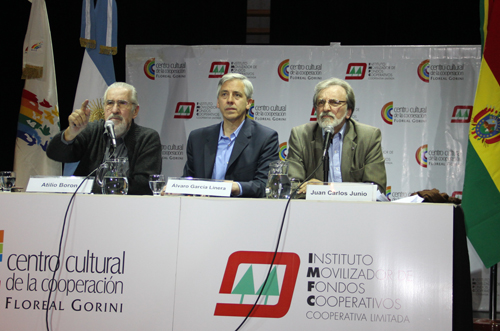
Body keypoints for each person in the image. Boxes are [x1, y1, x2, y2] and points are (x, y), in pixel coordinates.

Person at [47, 82, 162, 195]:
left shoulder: (147, 138)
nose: (115, 110)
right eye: (110, 103)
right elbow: (54, 154)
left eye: (122, 103)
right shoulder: (92, 130)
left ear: (135, 111)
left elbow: (144, 185)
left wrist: (92, 187)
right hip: (87, 206)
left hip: (128, 208)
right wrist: (70, 133)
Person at [182, 73, 279, 197]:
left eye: (237, 95)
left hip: (242, 211)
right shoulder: (197, 138)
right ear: (218, 102)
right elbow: (189, 179)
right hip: (202, 209)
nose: (230, 100)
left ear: (248, 103)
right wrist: (175, 188)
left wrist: (236, 187)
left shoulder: (265, 138)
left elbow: (265, 184)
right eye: (224, 94)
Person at [287, 77, 386, 195]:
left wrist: (326, 188)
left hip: (356, 210)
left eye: (334, 102)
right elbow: (291, 186)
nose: (326, 108)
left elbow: (376, 189)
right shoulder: (300, 136)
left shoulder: (368, 137)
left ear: (348, 112)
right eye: (321, 102)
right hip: (314, 209)